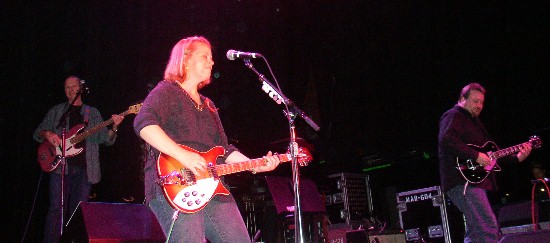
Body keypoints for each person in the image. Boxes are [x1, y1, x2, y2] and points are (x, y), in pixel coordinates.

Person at [133, 36, 281, 242]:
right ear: (184, 60)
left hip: (214, 187)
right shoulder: (167, 91)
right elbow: (144, 124)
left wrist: (254, 164)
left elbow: (225, 150)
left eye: (211, 58)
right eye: (205, 56)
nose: (211, 62)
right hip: (174, 182)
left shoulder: (209, 105)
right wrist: (184, 156)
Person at [34, 76, 124, 243]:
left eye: (73, 86)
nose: (69, 90)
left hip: (84, 171)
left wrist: (115, 126)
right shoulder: (57, 111)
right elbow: (38, 132)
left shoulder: (92, 113)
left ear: (80, 89)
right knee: (55, 210)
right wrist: (47, 134)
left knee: (79, 213)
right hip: (59, 168)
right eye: (66, 87)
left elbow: (106, 139)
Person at [438, 82, 532, 242]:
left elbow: (491, 155)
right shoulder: (454, 115)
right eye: (475, 101)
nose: (479, 106)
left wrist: (516, 158)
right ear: (462, 99)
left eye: (481, 102)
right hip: (463, 181)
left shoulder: (475, 123)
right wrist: (475, 155)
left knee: (476, 230)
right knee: (486, 226)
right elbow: (446, 139)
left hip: (473, 182)